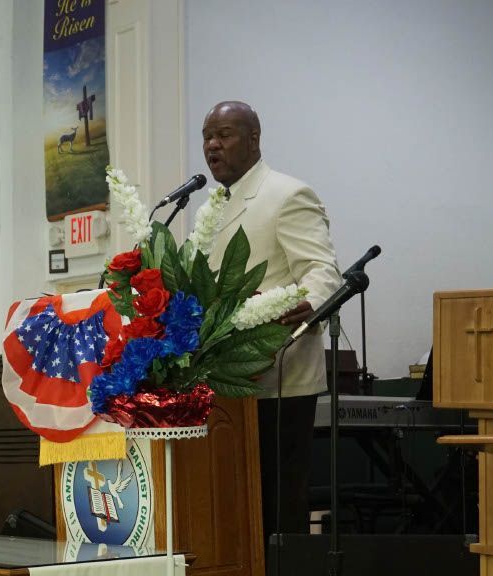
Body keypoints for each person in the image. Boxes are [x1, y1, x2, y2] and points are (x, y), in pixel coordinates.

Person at [201, 101, 341, 542]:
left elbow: (322, 271)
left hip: (277, 379)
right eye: (207, 137)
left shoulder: (287, 194)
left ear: (254, 139)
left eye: (223, 134)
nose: (212, 145)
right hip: (224, 384)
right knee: (233, 510)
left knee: (276, 512)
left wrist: (314, 302)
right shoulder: (213, 208)